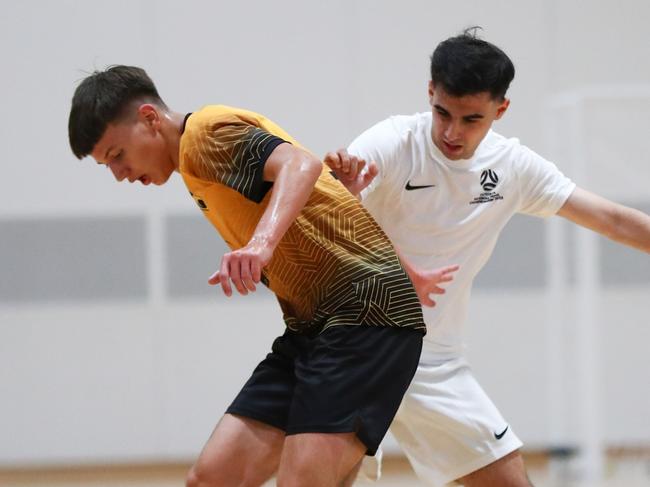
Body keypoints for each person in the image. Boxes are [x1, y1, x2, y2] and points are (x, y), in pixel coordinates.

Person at [67, 65, 451, 487]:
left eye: (117, 155)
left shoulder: (204, 137)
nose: (119, 174)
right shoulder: (194, 164)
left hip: (362, 322)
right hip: (311, 330)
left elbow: (300, 165)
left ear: (149, 118)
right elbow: (321, 199)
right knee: (212, 479)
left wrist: (260, 244)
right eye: (107, 166)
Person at [325, 28, 650, 487]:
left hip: (433, 361)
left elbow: (612, 219)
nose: (452, 132)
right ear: (430, 92)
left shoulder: (513, 167)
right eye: (442, 113)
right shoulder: (391, 143)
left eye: (471, 119)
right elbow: (325, 209)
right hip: (348, 348)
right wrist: (386, 255)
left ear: (501, 109)